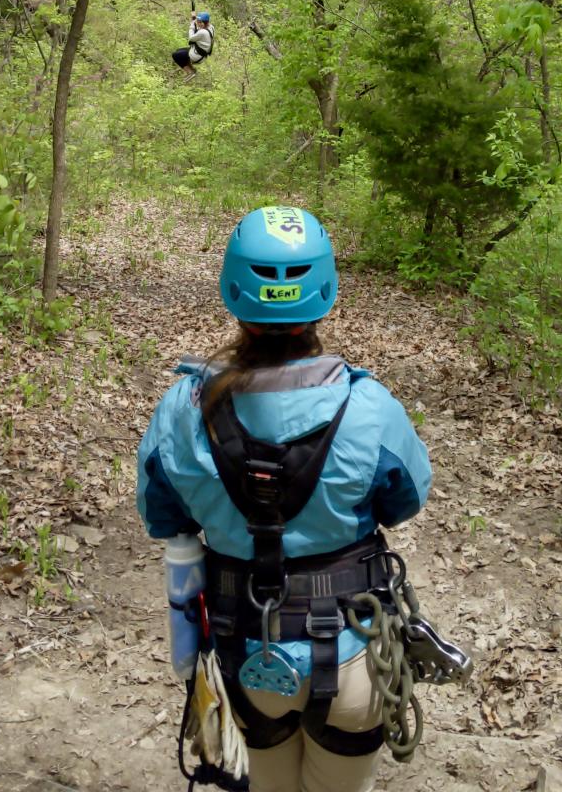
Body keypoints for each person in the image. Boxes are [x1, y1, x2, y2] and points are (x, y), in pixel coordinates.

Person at [136, 205, 432, 792]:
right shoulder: (368, 407)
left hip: (243, 648)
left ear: (233, 291)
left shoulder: (183, 409)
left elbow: (162, 513)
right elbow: (403, 499)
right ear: (324, 292)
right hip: (355, 651)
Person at [173, 9, 214, 79]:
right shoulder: (211, 27)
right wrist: (194, 18)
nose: (197, 23)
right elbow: (199, 28)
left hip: (197, 56)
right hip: (201, 53)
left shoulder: (203, 32)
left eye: (199, 22)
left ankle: (190, 72)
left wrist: (192, 25)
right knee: (178, 51)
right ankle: (192, 70)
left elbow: (191, 38)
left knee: (175, 55)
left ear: (203, 23)